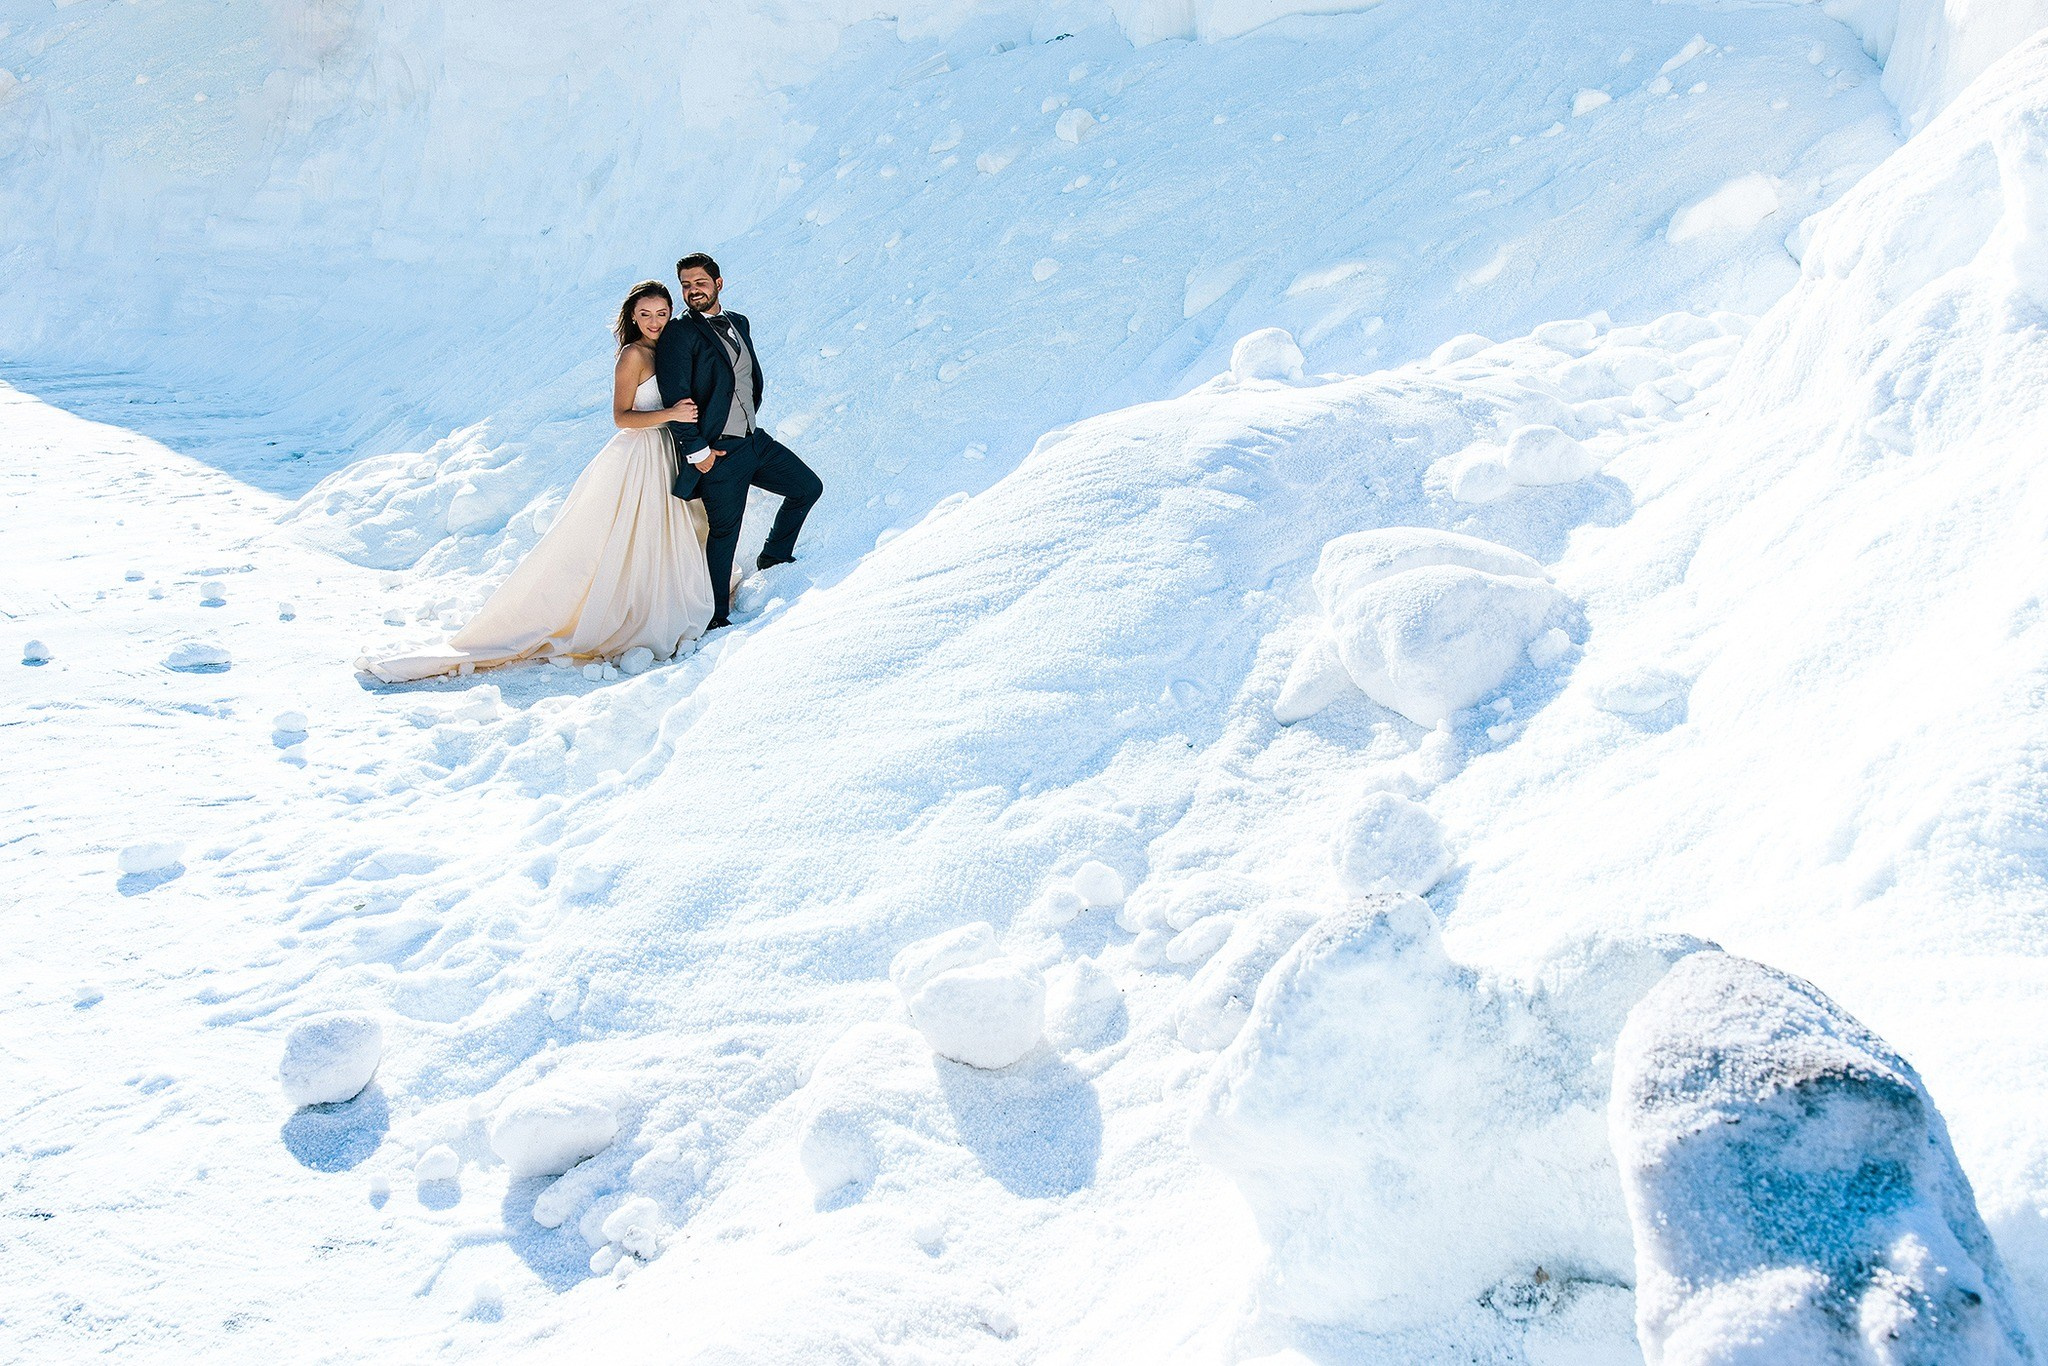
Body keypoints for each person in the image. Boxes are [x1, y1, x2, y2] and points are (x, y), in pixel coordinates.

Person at [359, 281, 716, 683]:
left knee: (658, 533)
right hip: (637, 454)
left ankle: (656, 601)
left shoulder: (663, 350)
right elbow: (620, 417)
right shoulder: (632, 355)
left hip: (661, 450)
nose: (654, 321)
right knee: (623, 535)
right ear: (633, 316)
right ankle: (621, 613)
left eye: (662, 313)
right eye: (646, 314)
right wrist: (669, 414)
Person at [656, 251, 824, 630]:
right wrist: (698, 450)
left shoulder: (739, 322)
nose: (692, 291)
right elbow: (675, 395)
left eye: (700, 282)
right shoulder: (680, 334)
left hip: (753, 440)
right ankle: (716, 617)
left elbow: (744, 378)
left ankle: (774, 557)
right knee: (724, 534)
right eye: (685, 285)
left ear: (718, 283)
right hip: (718, 451)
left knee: (807, 487)